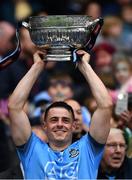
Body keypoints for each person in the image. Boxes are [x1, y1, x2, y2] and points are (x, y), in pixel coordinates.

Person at [8, 50, 112, 179]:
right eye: (54, 120)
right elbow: (14, 107)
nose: (60, 124)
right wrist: (37, 67)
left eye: (66, 120)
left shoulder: (88, 149)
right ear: (44, 126)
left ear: (74, 125)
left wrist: (85, 66)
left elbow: (105, 105)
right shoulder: (32, 150)